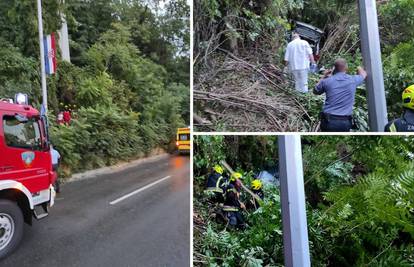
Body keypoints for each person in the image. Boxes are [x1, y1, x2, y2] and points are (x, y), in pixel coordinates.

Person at [313, 58, 367, 132]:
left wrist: (324, 76)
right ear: (346, 67)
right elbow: (363, 74)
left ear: (334, 68)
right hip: (344, 122)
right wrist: (358, 67)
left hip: (328, 121)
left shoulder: (327, 81)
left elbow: (315, 91)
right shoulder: (353, 80)